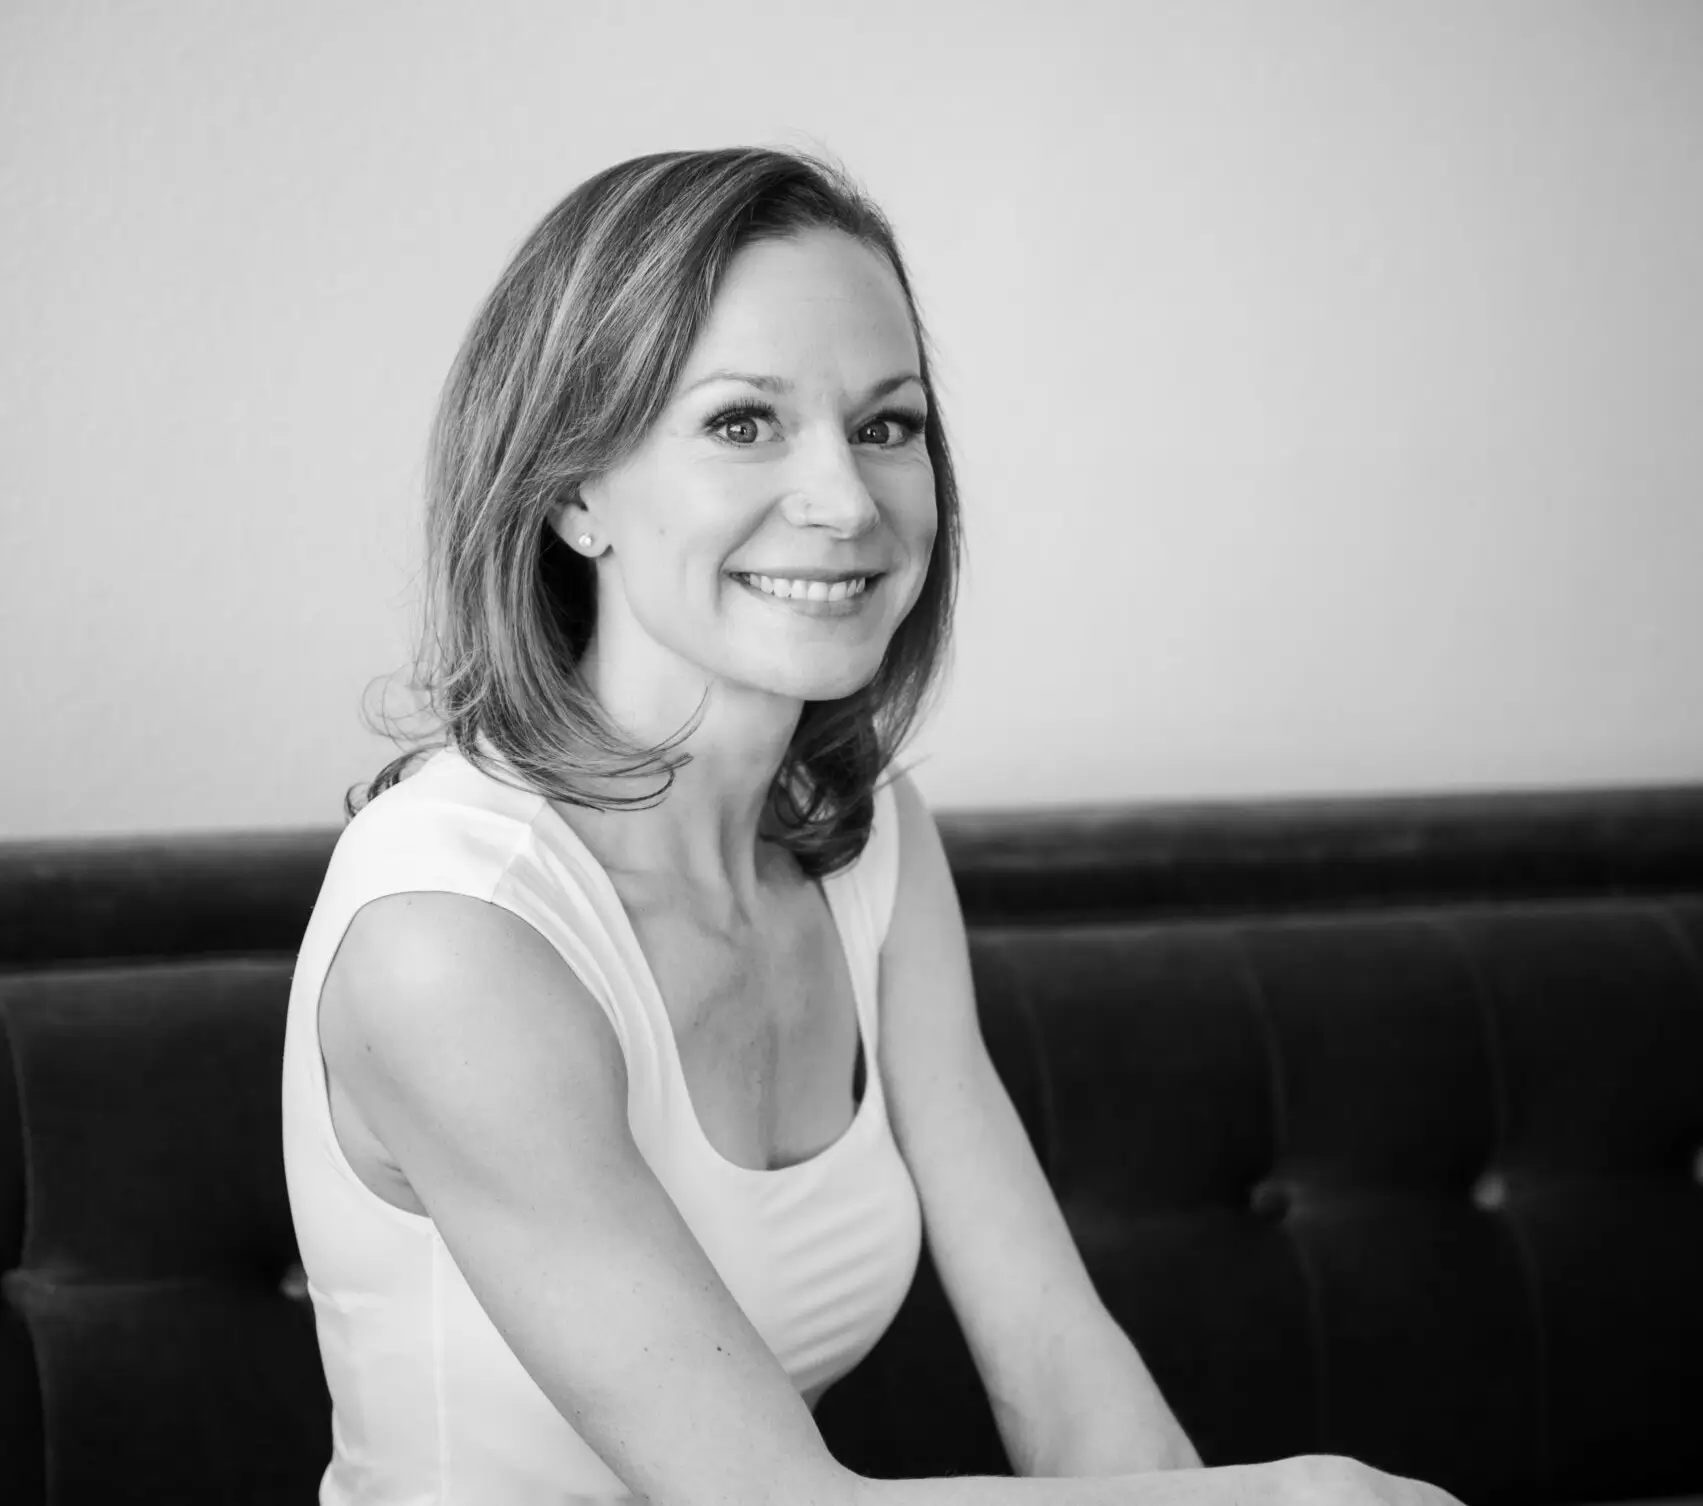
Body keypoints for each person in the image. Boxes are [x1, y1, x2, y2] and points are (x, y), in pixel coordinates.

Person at [281, 147, 1464, 1506]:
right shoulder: (449, 934)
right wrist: (1298, 1499)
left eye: (887, 426)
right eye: (743, 422)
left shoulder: (869, 844)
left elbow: (1056, 1364)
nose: (845, 500)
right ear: (573, 492)